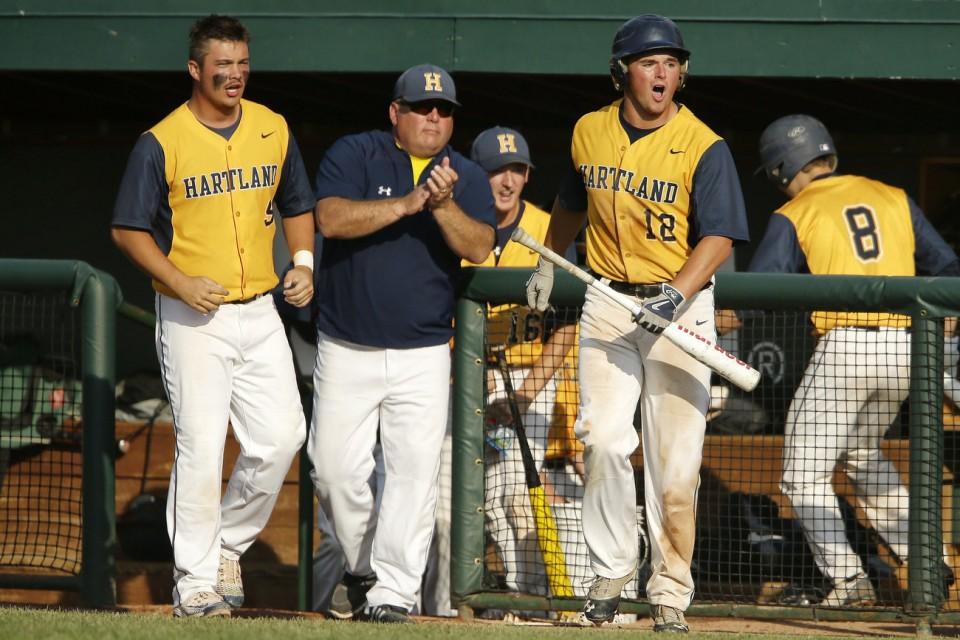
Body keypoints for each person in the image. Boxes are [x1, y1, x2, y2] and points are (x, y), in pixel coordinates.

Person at [525, 14, 750, 632]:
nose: (664, 73)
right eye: (651, 62)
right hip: (607, 299)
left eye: (673, 63)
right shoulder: (589, 130)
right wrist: (550, 258)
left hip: (679, 305)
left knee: (675, 464)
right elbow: (573, 202)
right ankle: (609, 574)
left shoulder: (704, 144)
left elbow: (722, 235)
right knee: (599, 439)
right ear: (622, 69)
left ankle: (670, 594)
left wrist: (676, 295)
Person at [110, 15, 316, 618]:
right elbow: (127, 227)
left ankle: (225, 543)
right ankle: (195, 581)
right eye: (222, 65)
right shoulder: (162, 139)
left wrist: (303, 262)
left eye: (243, 64)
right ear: (196, 69)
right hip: (191, 313)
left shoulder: (271, 127)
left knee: (284, 437)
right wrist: (176, 279)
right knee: (200, 445)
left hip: (259, 309)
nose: (234, 75)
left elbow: (297, 202)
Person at [307, 63, 495, 624]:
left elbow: (480, 245)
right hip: (346, 345)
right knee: (332, 473)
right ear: (396, 112)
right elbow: (331, 218)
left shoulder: (465, 174)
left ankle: (392, 592)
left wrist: (441, 207)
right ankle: (363, 566)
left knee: (413, 474)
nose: (434, 117)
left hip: (423, 351)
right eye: (422, 107)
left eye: (444, 110)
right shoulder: (356, 152)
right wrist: (409, 203)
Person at [749, 114, 960, 606]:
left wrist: (731, 315)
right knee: (862, 455)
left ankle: (848, 581)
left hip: (847, 345)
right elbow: (947, 267)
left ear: (782, 168)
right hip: (907, 348)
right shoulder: (892, 195)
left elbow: (763, 286)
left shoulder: (798, 209)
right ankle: (930, 561)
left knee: (801, 475)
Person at [471, 126, 579, 599]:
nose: (508, 180)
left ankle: (529, 598)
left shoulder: (547, 228)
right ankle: (508, 598)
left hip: (528, 375)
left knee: (518, 496)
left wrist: (525, 392)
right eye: (497, 169)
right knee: (482, 503)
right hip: (468, 376)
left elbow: (569, 324)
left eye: (517, 169)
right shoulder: (457, 225)